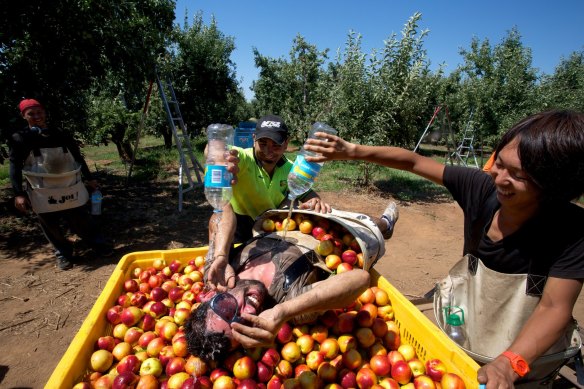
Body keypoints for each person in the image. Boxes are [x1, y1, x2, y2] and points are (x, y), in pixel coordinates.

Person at [302, 109, 584, 388]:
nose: (499, 178)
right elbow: (413, 162)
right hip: (468, 326)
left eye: (517, 174)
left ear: (552, 185)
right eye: (499, 163)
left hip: (526, 351)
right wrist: (352, 151)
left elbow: (553, 308)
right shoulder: (482, 189)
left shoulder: (571, 230)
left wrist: (511, 363)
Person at [185, 206, 396, 362]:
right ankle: (385, 224)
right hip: (339, 239)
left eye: (228, 310)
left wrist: (218, 255)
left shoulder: (218, 274)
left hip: (291, 217)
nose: (249, 309)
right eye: (245, 325)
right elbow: (360, 279)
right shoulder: (289, 303)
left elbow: (222, 209)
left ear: (210, 296)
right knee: (370, 229)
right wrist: (284, 311)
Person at [7, 99, 112, 270]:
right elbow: (14, 167)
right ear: (23, 116)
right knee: (50, 224)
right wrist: (18, 193)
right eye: (31, 114)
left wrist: (89, 178)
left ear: (45, 113)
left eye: (39, 112)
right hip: (42, 189)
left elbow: (78, 157)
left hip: (68, 185)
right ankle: (63, 253)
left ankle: (98, 245)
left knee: (81, 218)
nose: (36, 116)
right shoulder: (20, 138)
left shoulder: (60, 134)